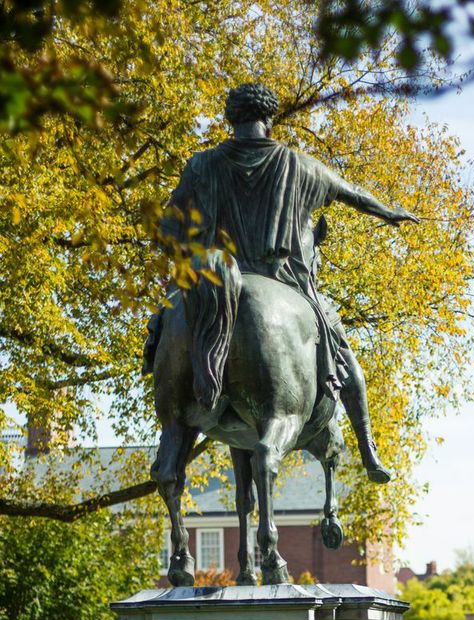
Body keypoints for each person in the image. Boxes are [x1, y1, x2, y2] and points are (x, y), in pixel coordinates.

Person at [144, 81, 418, 483]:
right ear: (269, 119)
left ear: (231, 118)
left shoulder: (201, 166)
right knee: (343, 352)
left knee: (164, 322)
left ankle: (166, 406)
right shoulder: (299, 164)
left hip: (211, 280)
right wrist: (390, 213)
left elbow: (166, 227)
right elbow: (353, 194)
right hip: (284, 282)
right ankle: (368, 449)